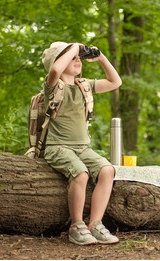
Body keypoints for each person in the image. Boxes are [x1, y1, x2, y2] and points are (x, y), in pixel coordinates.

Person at [41, 42, 122, 245]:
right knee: (80, 173)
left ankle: (95, 224)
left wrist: (101, 57)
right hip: (57, 147)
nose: (77, 59)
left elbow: (115, 82)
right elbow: (56, 69)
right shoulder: (52, 86)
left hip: (82, 148)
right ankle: (76, 225)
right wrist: (75, 48)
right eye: (71, 57)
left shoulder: (84, 85)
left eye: (79, 57)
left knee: (107, 170)